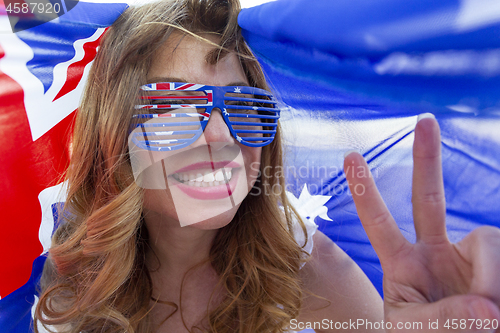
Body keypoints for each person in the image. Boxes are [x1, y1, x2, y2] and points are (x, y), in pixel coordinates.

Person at [34, 0, 500, 332]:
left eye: (243, 107)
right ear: (113, 131)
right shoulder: (66, 270)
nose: (220, 137)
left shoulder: (310, 273)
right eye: (173, 108)